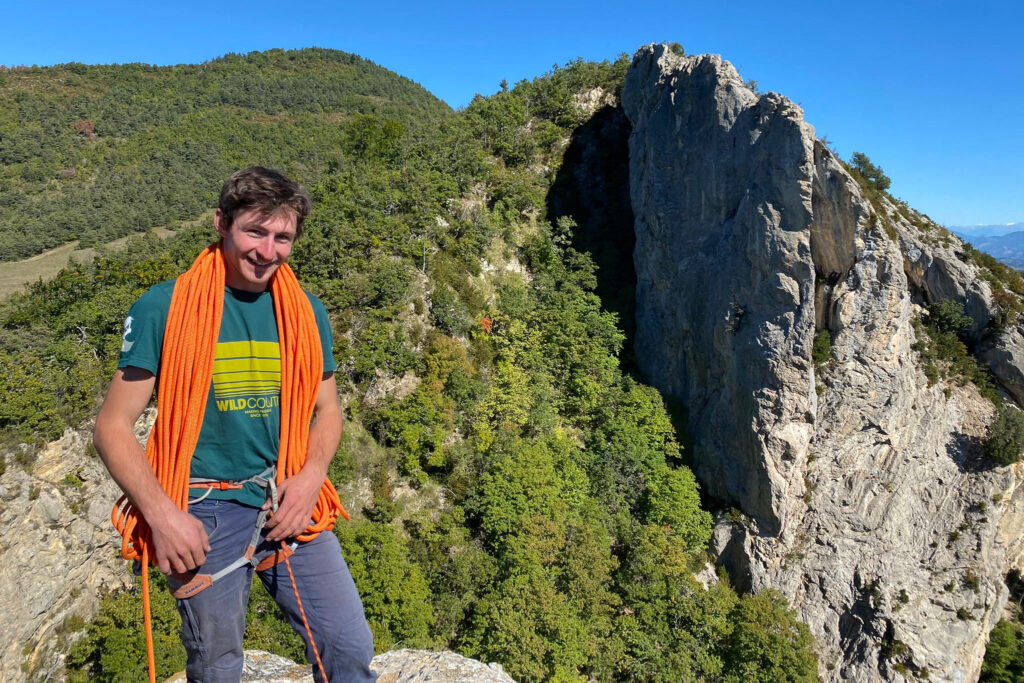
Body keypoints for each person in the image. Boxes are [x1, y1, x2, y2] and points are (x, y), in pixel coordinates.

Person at [94, 167, 376, 682]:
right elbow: (112, 424)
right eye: (255, 231)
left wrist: (312, 477)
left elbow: (328, 410)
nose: (268, 251)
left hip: (285, 494)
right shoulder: (165, 307)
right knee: (218, 665)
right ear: (222, 223)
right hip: (202, 509)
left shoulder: (305, 312)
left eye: (282, 237)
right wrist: (162, 516)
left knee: (348, 644)